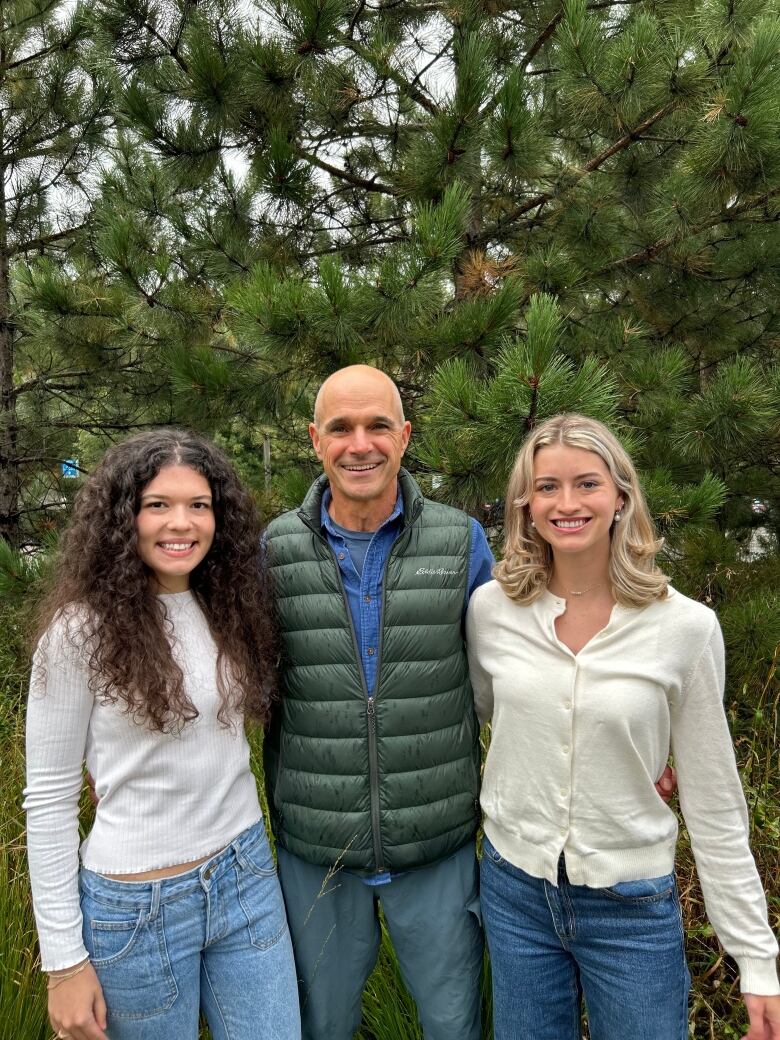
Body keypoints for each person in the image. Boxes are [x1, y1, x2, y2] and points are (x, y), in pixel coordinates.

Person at [263, 368, 675, 1039]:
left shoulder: (460, 544)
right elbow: (236, 681)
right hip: (318, 851)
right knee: (319, 1025)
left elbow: (525, 670)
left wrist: (627, 751)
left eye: (377, 426)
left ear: (405, 436)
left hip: (437, 848)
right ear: (316, 440)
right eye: (341, 428)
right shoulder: (275, 550)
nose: (359, 444)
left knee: (455, 1025)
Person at [466, 413, 780, 1040]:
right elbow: (484, 718)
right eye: (547, 487)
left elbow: (716, 800)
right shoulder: (491, 610)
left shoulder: (686, 628)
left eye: (587, 483)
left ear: (621, 497)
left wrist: (756, 958)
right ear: (525, 504)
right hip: (514, 890)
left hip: (631, 905)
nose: (567, 503)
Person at [24, 430, 301, 1040]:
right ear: (124, 517)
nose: (182, 523)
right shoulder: (78, 634)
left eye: (199, 505)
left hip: (246, 877)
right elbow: (47, 800)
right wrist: (63, 962)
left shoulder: (228, 605)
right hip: (135, 911)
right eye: (158, 505)